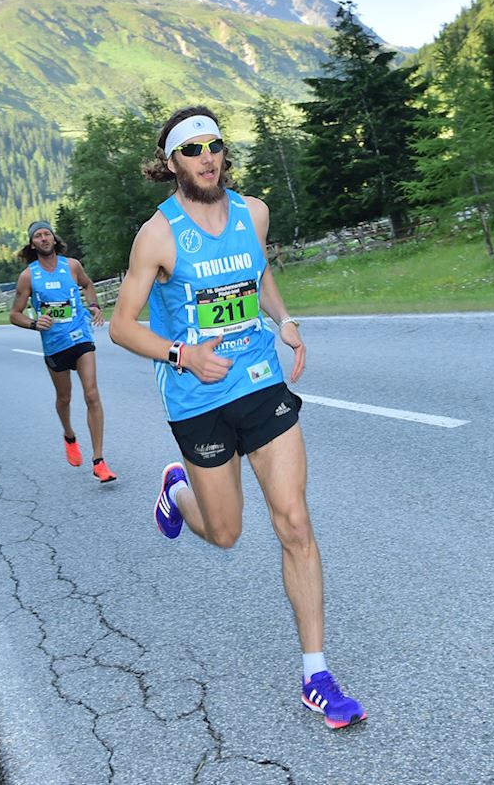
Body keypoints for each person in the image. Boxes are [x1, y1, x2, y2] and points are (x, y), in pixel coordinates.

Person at [109, 106, 365, 730]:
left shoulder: (254, 214)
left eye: (214, 145)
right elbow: (118, 327)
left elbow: (260, 271)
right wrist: (182, 354)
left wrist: (285, 320)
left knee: (295, 522)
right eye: (191, 150)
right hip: (196, 397)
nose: (206, 157)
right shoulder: (158, 235)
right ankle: (178, 491)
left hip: (257, 380)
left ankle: (316, 674)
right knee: (226, 534)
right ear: (171, 163)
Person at [9, 221, 116, 483]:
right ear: (32, 244)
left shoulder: (72, 266)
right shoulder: (28, 276)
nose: (44, 238)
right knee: (64, 398)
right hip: (54, 343)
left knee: (91, 394)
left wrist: (93, 305)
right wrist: (34, 323)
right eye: (38, 236)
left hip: (81, 336)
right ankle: (69, 435)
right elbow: (14, 314)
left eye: (47, 234)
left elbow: (88, 285)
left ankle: (99, 460)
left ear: (54, 239)